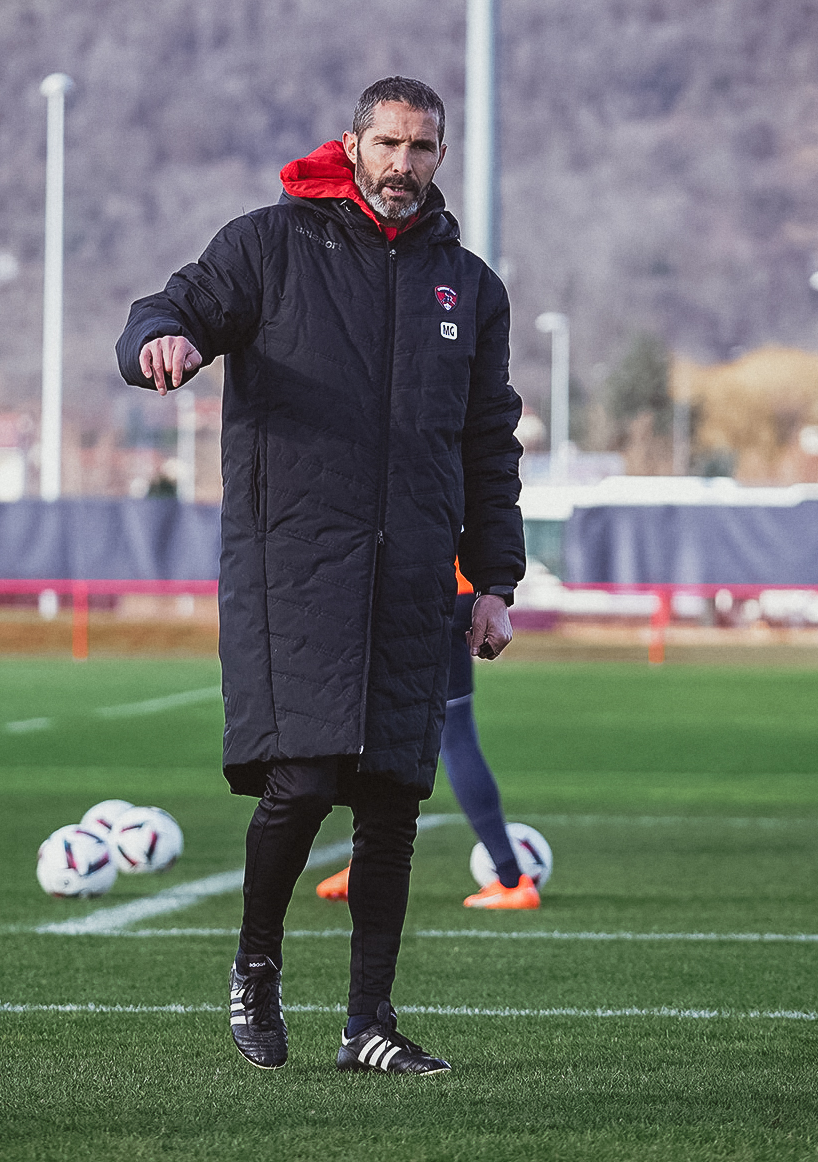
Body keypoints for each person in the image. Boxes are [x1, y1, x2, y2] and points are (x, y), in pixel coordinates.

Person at [118, 76, 524, 1074]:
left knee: (391, 799)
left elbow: (488, 442)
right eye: (387, 144)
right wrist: (156, 344)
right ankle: (255, 968)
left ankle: (367, 1023)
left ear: (439, 157)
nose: (403, 165)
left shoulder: (467, 286)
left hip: (417, 572)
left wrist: (496, 579)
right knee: (297, 780)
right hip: (293, 563)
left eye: (422, 149)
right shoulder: (269, 245)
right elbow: (169, 310)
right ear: (351, 146)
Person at [317, 561, 538, 909]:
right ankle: (365, 865)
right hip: (458, 591)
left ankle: (511, 880)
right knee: (421, 732)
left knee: (431, 733)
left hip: (415, 591)